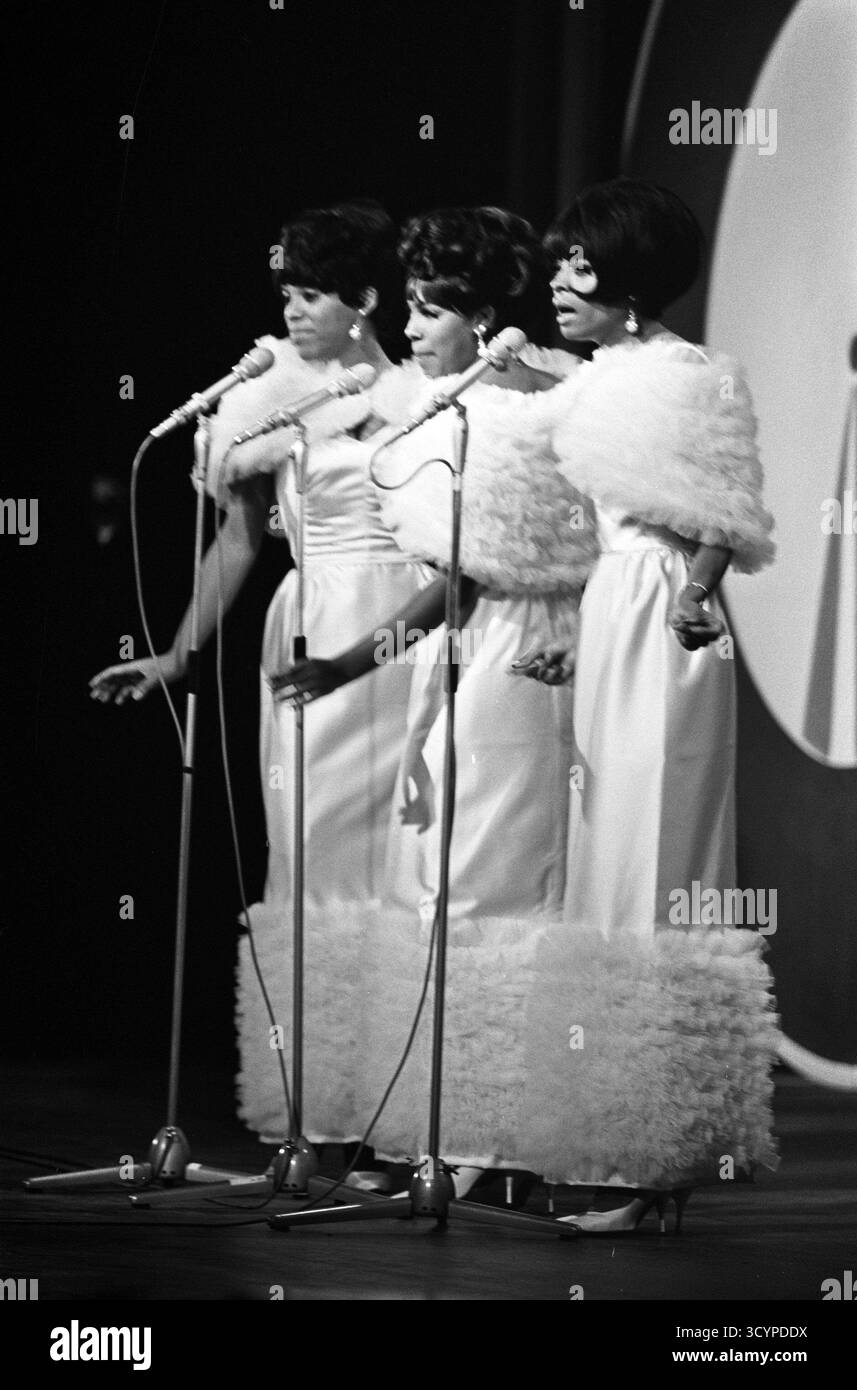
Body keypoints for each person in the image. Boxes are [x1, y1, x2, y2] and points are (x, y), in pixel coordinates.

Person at [90, 201, 433, 1148]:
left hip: (392, 624)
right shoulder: (260, 399)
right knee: (308, 850)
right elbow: (240, 539)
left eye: (312, 293)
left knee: (398, 854)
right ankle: (319, 1107)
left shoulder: (412, 393)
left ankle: (400, 1118)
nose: (291, 310)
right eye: (285, 291)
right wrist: (178, 650)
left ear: (364, 299)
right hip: (305, 613)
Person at [275, 207, 598, 1195]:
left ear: (485, 313)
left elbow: (582, 548)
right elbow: (446, 581)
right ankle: (436, 1127)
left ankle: (496, 1141)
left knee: (491, 884)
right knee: (426, 881)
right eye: (408, 308)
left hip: (524, 653)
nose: (411, 331)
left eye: (429, 309)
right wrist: (351, 666)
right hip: (456, 650)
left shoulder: (556, 403)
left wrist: (563, 628)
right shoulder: (445, 408)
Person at [516, 178, 780, 1231]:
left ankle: (657, 1162)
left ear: (626, 280)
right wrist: (568, 632)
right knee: (598, 869)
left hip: (665, 618)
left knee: (656, 866)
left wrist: (694, 591)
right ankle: (609, 1145)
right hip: (606, 606)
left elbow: (723, 510)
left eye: (578, 268)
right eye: (555, 267)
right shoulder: (586, 382)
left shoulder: (693, 376)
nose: (559, 285)